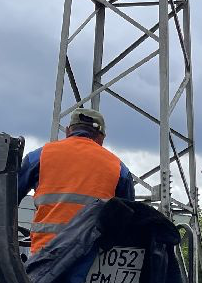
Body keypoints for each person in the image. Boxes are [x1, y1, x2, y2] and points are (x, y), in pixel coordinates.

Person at [19, 106, 135, 257]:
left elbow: (5, 199)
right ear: (101, 138)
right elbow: (127, 220)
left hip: (44, 257)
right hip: (92, 259)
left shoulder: (38, 157)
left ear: (68, 131)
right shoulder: (119, 169)